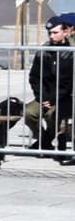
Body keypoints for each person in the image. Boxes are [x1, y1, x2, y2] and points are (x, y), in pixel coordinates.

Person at [24, 14, 75, 159]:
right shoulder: (44, 51)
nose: (52, 36)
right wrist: (43, 97)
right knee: (29, 113)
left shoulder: (72, 52)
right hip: (44, 95)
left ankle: (44, 143)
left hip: (64, 97)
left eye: (55, 32)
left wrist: (52, 99)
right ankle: (44, 141)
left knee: (51, 115)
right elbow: (34, 77)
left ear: (65, 32)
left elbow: (69, 83)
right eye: (50, 33)